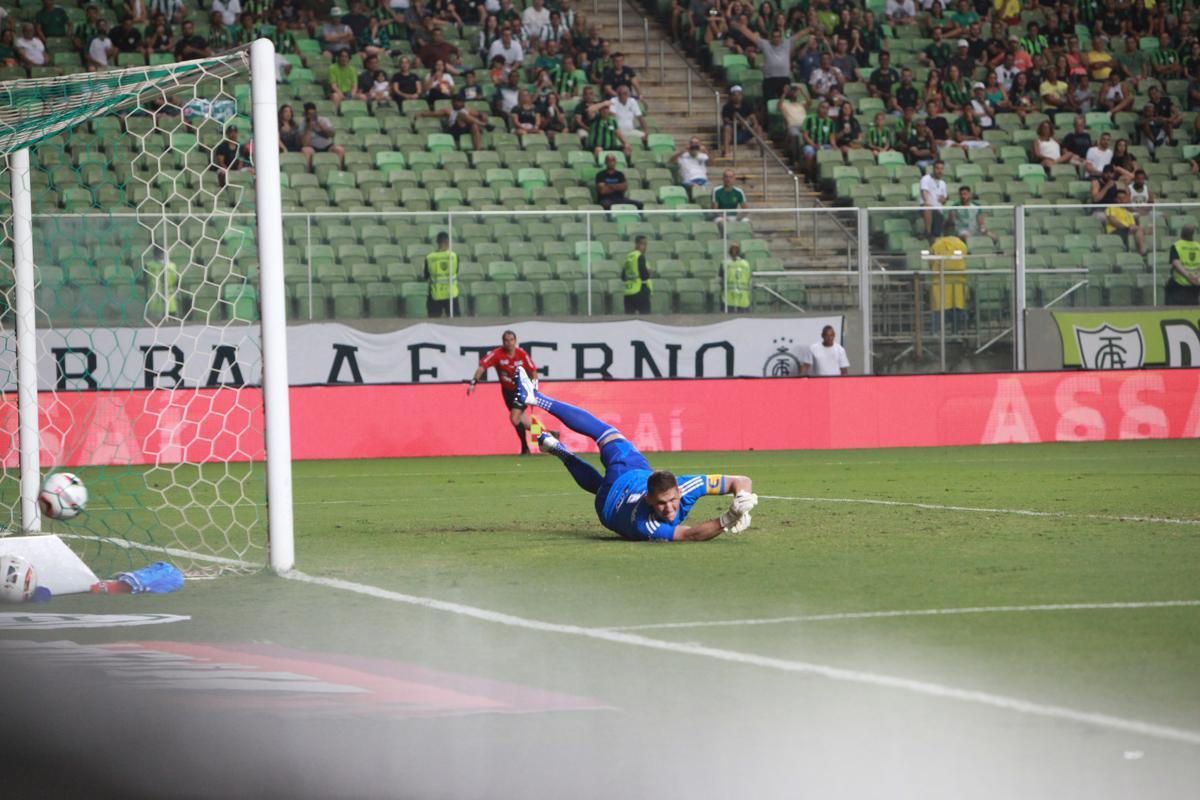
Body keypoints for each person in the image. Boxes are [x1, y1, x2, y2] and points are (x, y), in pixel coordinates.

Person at [512, 367, 758, 541]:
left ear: (678, 491)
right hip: (614, 499)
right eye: (662, 503)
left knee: (606, 434)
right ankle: (556, 444)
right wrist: (729, 517)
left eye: (672, 500)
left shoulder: (679, 490)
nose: (669, 508)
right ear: (649, 500)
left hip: (617, 493)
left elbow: (741, 483)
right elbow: (690, 534)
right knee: (605, 452)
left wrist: (742, 501)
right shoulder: (648, 525)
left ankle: (538, 400)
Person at [468, 330, 541, 455]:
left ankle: (525, 448)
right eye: (506, 340)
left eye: (511, 340)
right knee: (523, 421)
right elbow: (482, 367)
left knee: (514, 417)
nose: (509, 343)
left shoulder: (521, 354)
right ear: (503, 342)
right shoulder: (497, 354)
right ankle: (549, 435)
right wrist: (474, 382)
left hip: (522, 389)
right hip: (507, 392)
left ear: (515, 341)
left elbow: (533, 371)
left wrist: (534, 390)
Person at [929, 234, 968, 333]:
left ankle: (935, 333)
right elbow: (965, 260)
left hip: (940, 282)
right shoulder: (962, 245)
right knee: (957, 308)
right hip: (958, 283)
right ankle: (956, 333)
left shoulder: (937, 245)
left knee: (939, 309)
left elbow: (931, 262)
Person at [299, 102, 346, 170]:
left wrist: (323, 128)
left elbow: (332, 134)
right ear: (306, 115)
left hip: (327, 146)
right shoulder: (303, 124)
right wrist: (309, 129)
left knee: (339, 149)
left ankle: (340, 171)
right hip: (313, 148)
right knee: (306, 150)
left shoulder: (323, 120)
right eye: (309, 114)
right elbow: (304, 144)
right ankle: (308, 174)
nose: (312, 116)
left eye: (314, 114)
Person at [423, 231, 459, 317]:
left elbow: (426, 276)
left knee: (433, 324)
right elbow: (457, 271)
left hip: (435, 295)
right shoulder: (454, 256)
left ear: (437, 242)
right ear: (448, 242)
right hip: (451, 295)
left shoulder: (429, 257)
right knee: (457, 324)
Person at [1103, 188, 1147, 257]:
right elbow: (1113, 221)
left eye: (1124, 198)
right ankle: (1143, 252)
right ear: (1115, 199)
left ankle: (1142, 252)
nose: (1121, 200)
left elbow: (1133, 225)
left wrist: (1130, 227)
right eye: (1119, 198)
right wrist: (1127, 227)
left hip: (1128, 231)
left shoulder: (1128, 212)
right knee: (1139, 229)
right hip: (1116, 231)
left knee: (1143, 229)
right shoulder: (1112, 207)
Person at [1166, 224, 1200, 305]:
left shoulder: (1176, 246)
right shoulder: (1198, 246)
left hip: (1180, 284)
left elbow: (1176, 264)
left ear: (1181, 233)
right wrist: (1196, 276)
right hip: (1196, 283)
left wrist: (1189, 277)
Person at [622, 234, 652, 314]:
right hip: (640, 291)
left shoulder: (629, 256)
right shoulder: (640, 256)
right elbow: (644, 276)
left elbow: (622, 276)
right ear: (637, 244)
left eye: (646, 244)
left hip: (628, 292)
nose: (645, 247)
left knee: (629, 321)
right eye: (643, 244)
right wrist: (649, 273)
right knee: (645, 319)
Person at [920, 159, 948, 242]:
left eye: (941, 169)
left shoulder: (943, 183)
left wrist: (944, 199)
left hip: (938, 209)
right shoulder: (926, 179)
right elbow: (924, 192)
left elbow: (944, 199)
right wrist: (926, 203)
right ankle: (927, 232)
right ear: (933, 168)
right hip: (926, 208)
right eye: (937, 168)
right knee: (927, 207)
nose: (939, 171)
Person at [719, 243, 752, 312]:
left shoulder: (725, 263)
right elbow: (749, 277)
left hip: (729, 297)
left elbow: (721, 279)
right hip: (741, 297)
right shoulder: (746, 264)